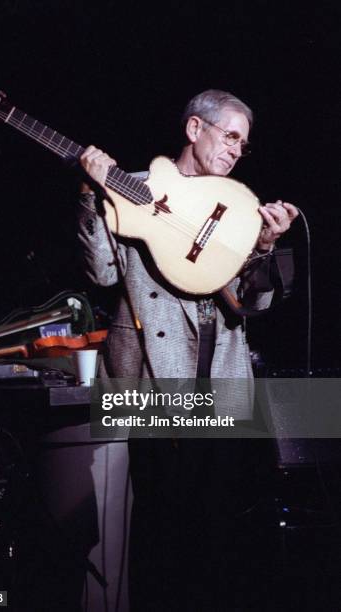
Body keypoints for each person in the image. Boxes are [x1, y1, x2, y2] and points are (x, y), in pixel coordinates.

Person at [76, 90, 298, 610]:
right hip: (155, 381)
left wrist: (264, 249)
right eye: (229, 136)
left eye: (244, 144)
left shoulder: (232, 206)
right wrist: (91, 195)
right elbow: (104, 273)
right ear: (195, 129)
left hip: (219, 380)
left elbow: (249, 301)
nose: (236, 151)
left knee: (218, 528)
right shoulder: (135, 189)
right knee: (161, 522)